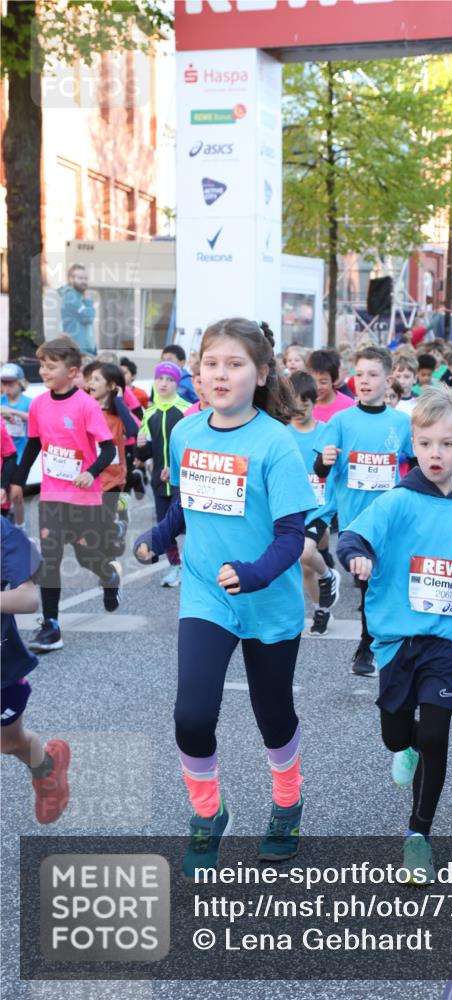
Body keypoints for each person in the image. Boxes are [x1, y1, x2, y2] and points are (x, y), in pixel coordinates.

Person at [133, 318, 316, 876]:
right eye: (211, 363)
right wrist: (159, 537)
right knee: (191, 715)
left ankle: (287, 802)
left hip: (267, 600)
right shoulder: (187, 432)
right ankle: (208, 814)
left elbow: (292, 537)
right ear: (197, 372)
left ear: (261, 374)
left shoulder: (278, 445)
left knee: (273, 714)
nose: (220, 374)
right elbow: (188, 501)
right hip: (207, 595)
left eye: (235, 364)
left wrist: (256, 573)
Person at [337, 388, 452, 882]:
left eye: (446, 444)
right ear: (412, 446)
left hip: (445, 639)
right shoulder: (397, 500)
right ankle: (404, 747)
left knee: (436, 733)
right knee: (396, 732)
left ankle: (419, 835)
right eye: (425, 443)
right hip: (396, 639)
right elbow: (353, 536)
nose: (436, 454)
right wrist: (358, 556)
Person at [10, 336, 121, 652]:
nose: (44, 371)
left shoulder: (85, 405)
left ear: (73, 372)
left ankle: (108, 576)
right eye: (42, 365)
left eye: (50, 366)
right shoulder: (39, 405)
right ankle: (52, 626)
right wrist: (17, 481)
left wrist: (90, 472)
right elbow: (33, 445)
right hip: (52, 495)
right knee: (50, 559)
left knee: (87, 557)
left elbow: (108, 448)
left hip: (84, 497)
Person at [314, 345, 413, 675]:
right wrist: (324, 461)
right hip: (356, 522)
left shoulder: (400, 423)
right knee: (368, 583)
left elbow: (415, 463)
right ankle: (366, 646)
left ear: (388, 379)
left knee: (386, 582)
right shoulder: (341, 421)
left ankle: (381, 642)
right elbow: (322, 469)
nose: (365, 381)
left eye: (373, 375)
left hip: (391, 519)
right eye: (359, 375)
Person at [0, 519, 71, 823]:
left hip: (3, 669)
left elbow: (28, 599)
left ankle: (48, 771)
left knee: (10, 742)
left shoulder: (4, 533)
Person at [287, 371, 340, 636]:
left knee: (306, 553)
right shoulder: (282, 433)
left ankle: (330, 575)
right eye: (294, 405)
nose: (299, 410)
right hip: (292, 508)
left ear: (314, 402)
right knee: (304, 564)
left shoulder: (326, 431)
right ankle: (321, 609)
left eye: (304, 404)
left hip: (321, 507)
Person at [135, 361, 190, 588]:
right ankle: (174, 567)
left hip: (182, 482)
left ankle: (195, 566)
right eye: (160, 379)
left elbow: (192, 445)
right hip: (159, 480)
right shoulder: (149, 413)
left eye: (169, 379)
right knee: (164, 527)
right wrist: (139, 445)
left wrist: (179, 467)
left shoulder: (187, 410)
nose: (164, 383)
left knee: (190, 527)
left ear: (177, 383)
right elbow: (148, 450)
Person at [87, 362, 141, 554]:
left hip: (113, 478)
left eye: (96, 379)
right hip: (90, 476)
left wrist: (119, 401)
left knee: (103, 527)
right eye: (90, 379)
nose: (90, 383)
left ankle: (111, 576)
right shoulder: (87, 409)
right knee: (93, 527)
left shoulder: (118, 414)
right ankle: (116, 529)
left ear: (111, 386)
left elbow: (134, 430)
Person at [0, 363, 31, 529]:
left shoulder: (28, 402)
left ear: (21, 383)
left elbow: (33, 418)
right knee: (4, 492)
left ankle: (21, 524)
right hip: (3, 456)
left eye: (11, 383)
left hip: (21, 454)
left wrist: (12, 412)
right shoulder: (1, 400)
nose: (7, 387)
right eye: (4, 383)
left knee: (16, 494)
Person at [307, 349, 355, 423]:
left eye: (323, 382)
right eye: (312, 381)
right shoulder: (302, 405)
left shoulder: (349, 406)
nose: (317, 387)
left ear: (334, 380)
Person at [59, 264, 96, 355]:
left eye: (85, 278)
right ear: (71, 279)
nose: (84, 281)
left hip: (83, 349)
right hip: (78, 350)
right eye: (80, 278)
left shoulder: (78, 297)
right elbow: (88, 317)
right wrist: (88, 301)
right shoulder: (70, 296)